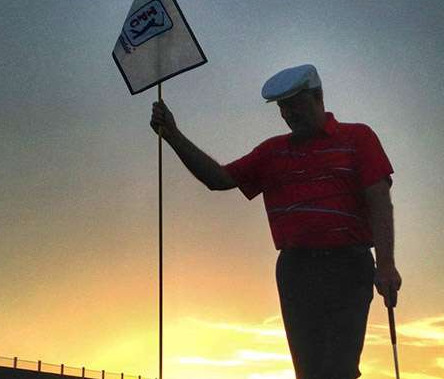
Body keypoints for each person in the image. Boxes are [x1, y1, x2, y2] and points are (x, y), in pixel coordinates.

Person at [150, 64, 402, 379]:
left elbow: (378, 198)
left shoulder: (358, 137)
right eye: (282, 106)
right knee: (308, 371)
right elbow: (220, 179)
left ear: (318, 97)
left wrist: (386, 263)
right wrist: (173, 135)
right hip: (296, 269)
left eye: (295, 103)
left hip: (348, 265)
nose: (288, 112)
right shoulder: (272, 152)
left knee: (338, 368)